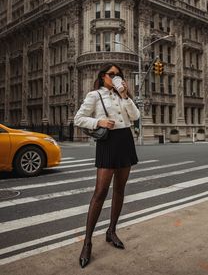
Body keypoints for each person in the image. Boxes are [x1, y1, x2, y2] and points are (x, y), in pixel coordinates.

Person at [74, 63, 140, 268]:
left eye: (119, 75)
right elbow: (78, 119)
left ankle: (111, 231)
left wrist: (126, 95)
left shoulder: (124, 96)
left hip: (125, 140)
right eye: (112, 74)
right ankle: (87, 242)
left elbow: (135, 117)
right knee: (100, 192)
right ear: (103, 76)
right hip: (108, 142)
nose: (116, 77)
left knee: (120, 189)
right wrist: (98, 122)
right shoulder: (95, 95)